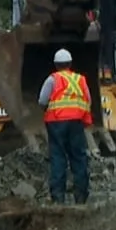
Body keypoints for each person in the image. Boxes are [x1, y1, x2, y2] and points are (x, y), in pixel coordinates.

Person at [37, 48, 93, 204]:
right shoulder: (80, 79)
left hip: (56, 123)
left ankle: (58, 198)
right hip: (76, 123)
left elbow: (42, 101)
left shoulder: (52, 79)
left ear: (56, 65)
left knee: (58, 158)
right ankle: (81, 197)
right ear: (70, 64)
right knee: (79, 158)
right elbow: (88, 99)